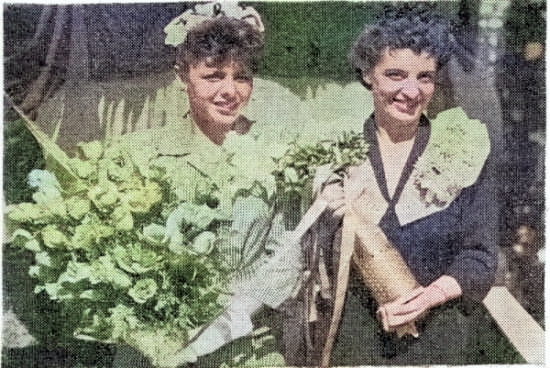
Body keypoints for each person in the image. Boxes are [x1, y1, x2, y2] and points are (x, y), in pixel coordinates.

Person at [282, 5, 507, 366]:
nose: (411, 91)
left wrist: (429, 296)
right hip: (353, 345)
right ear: (369, 75)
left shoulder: (463, 151)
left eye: (425, 77)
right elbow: (306, 268)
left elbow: (480, 258)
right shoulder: (336, 159)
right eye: (396, 74)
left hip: (437, 341)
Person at [111, 3, 307, 367]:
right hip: (157, 344)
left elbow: (289, 249)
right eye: (214, 76)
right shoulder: (139, 154)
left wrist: (230, 316)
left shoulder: (279, 154)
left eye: (242, 76)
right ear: (182, 75)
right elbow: (113, 253)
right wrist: (160, 333)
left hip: (245, 343)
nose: (230, 90)